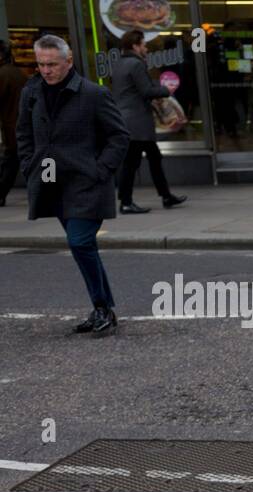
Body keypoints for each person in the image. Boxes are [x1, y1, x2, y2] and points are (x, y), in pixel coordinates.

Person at [16, 35, 129, 335]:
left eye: (52, 64)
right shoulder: (32, 93)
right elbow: (23, 133)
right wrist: (29, 166)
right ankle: (103, 308)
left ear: (69, 61)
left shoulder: (93, 94)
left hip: (87, 183)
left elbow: (119, 137)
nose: (46, 70)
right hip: (51, 182)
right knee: (84, 246)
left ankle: (102, 308)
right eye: (41, 64)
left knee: (79, 242)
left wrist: (100, 169)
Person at [111, 31, 186, 214]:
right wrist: (165, 90)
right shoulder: (136, 64)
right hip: (136, 122)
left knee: (153, 157)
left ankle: (166, 196)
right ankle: (126, 202)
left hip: (128, 119)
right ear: (135, 46)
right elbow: (145, 91)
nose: (145, 48)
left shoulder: (119, 63)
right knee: (131, 163)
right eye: (143, 44)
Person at [0, 40, 27, 207]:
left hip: (13, 126)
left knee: (10, 163)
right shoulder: (17, 72)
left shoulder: (3, 74)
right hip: (21, 125)